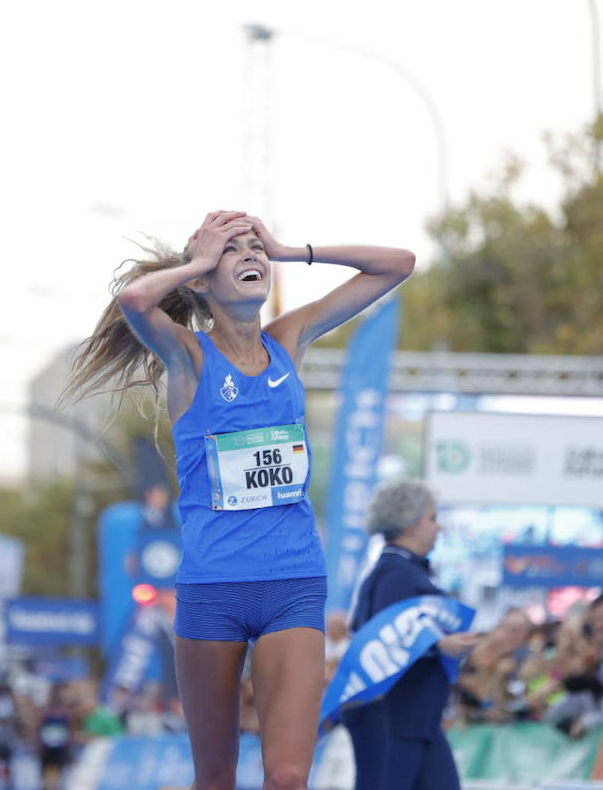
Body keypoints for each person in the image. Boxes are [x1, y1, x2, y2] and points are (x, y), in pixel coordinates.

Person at [66, 210, 413, 790]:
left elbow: (398, 265)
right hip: (211, 590)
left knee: (286, 777)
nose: (251, 256)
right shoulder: (188, 356)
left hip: (293, 584)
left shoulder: (289, 339)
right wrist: (197, 261)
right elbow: (133, 301)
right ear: (201, 281)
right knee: (217, 778)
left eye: (255, 248)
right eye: (235, 251)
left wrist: (291, 250)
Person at [342, 480, 478, 790]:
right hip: (393, 719)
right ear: (408, 522)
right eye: (432, 518)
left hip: (414, 718)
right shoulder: (397, 574)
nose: (438, 527)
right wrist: (440, 644)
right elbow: (387, 635)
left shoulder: (399, 571)